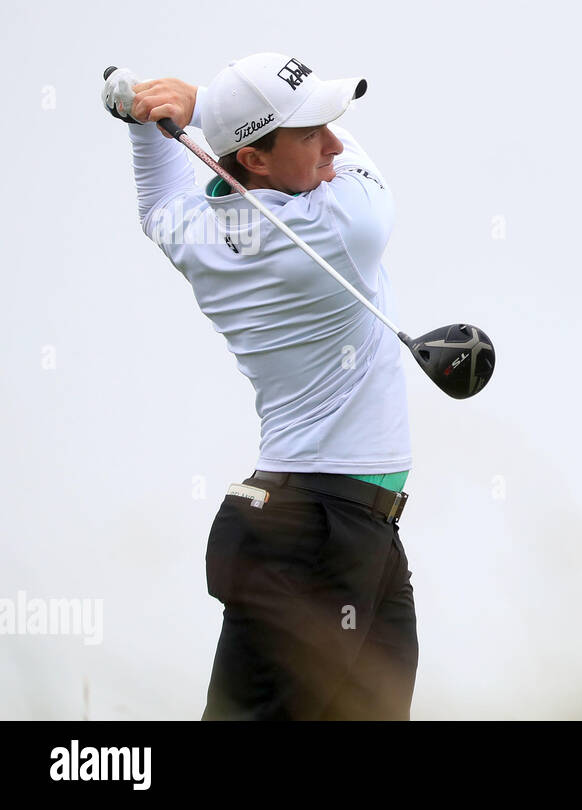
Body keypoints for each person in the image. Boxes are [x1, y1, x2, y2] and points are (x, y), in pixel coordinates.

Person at [104, 53, 418, 720]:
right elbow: (363, 170)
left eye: (329, 127)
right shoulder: (344, 227)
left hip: (348, 528)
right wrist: (201, 106)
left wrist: (146, 122)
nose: (333, 145)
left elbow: (159, 200)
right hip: (315, 533)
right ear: (254, 161)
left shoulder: (198, 234)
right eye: (310, 135)